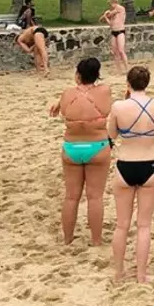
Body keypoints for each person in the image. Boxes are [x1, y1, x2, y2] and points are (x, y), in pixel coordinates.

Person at [107, 65, 154, 283]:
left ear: (128, 83)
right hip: (149, 164)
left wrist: (125, 102)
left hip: (125, 163)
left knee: (122, 224)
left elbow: (111, 134)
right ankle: (141, 275)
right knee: (144, 225)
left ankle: (118, 273)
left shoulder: (118, 107)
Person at [48, 57, 112, 245]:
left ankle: (68, 239)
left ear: (77, 75)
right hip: (97, 146)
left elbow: (65, 105)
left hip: (72, 147)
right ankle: (96, 240)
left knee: (70, 197)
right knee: (95, 197)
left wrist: (59, 103)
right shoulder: (104, 91)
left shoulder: (67, 94)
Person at [100, 0, 129, 73]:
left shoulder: (120, 8)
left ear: (114, 3)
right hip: (114, 32)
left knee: (121, 50)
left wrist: (106, 14)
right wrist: (106, 17)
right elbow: (109, 23)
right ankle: (118, 70)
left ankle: (127, 68)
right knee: (115, 52)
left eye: (110, 4)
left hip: (120, 31)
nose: (110, 6)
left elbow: (110, 13)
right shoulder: (113, 13)